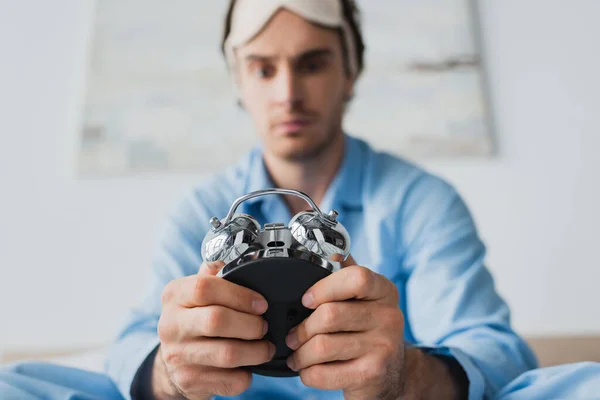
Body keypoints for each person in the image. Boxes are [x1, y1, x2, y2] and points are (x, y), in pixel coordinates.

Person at [0, 0, 545, 399]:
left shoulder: (422, 200)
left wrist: (408, 374)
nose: (288, 93)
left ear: (350, 72)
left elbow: (495, 350)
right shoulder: (202, 207)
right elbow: (134, 343)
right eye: (263, 68)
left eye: (311, 64)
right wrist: (170, 372)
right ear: (239, 82)